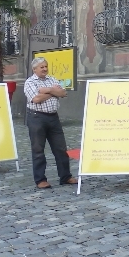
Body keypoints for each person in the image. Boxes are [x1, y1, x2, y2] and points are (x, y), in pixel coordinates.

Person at [24, 57, 76, 189]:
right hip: (36, 118)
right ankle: (40, 179)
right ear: (34, 69)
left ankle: (66, 177)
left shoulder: (52, 79)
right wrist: (53, 91)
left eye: (46, 66)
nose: (45, 69)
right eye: (42, 67)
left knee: (61, 149)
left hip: (53, 118)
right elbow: (36, 99)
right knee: (38, 150)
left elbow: (63, 92)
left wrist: (46, 90)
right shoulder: (30, 82)